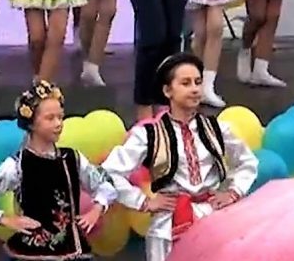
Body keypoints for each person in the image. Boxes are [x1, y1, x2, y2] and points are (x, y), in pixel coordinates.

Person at [100, 54, 259, 261]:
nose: (194, 89)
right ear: (168, 91)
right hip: (168, 224)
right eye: (185, 83)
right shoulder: (149, 134)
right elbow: (108, 172)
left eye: (198, 82)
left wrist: (233, 192)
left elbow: (248, 161)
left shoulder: (218, 129)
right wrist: (143, 202)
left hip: (212, 219)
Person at [0, 80, 115, 260]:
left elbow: (105, 186)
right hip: (31, 253)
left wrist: (96, 209)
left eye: (60, 117)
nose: (58, 123)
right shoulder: (18, 165)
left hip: (72, 250)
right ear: (31, 123)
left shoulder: (72, 158)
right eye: (50, 118)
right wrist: (6, 219)